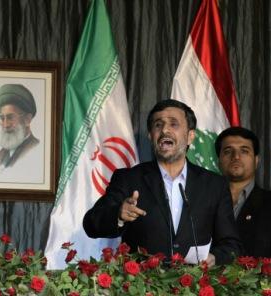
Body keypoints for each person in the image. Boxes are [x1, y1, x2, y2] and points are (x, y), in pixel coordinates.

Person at [83, 99, 241, 266]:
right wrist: (118, 214)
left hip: (196, 286)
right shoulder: (128, 179)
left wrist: (214, 258)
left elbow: (231, 245)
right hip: (142, 287)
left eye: (174, 124)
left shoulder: (214, 185)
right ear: (151, 136)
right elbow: (91, 224)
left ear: (190, 136)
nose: (165, 130)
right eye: (158, 125)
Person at [215, 126, 271, 257]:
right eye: (228, 151)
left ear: (256, 161)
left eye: (244, 151)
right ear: (218, 161)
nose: (236, 157)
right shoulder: (201, 201)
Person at [0, 84, 39, 168]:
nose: (5, 125)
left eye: (10, 117)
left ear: (27, 119)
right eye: (2, 118)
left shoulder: (37, 150)